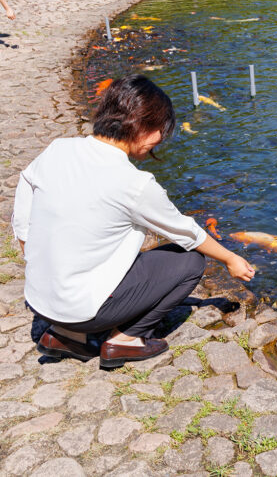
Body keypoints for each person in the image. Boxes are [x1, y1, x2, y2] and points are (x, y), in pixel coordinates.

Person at [11, 74, 255, 368]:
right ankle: (125, 339)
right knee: (190, 261)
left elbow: (23, 217)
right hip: (83, 308)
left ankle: (65, 336)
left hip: (40, 300)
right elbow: (186, 232)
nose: (158, 143)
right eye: (159, 134)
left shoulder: (58, 149)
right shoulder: (133, 183)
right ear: (142, 127)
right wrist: (230, 259)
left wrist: (39, 261)